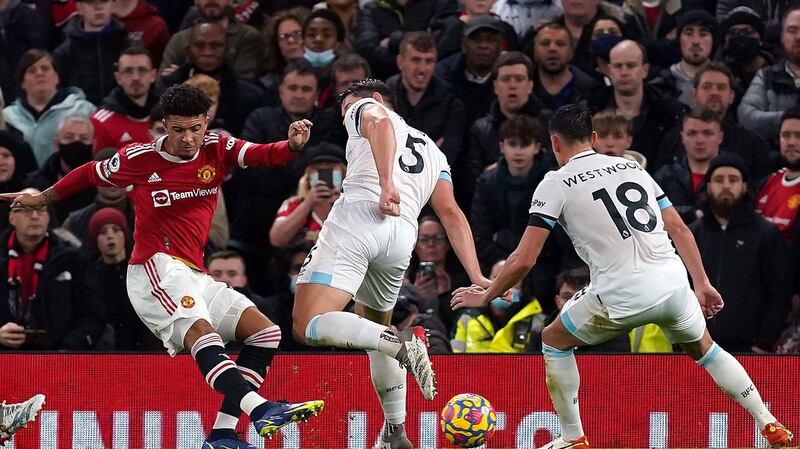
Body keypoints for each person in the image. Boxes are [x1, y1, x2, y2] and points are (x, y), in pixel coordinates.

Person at [0, 84, 324, 449]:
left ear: (206, 123)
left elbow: (264, 154)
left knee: (265, 333)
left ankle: (222, 434)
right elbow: (90, 173)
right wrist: (43, 197)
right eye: (179, 129)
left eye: (195, 128)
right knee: (202, 332)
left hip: (195, 273)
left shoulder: (218, 147)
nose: (188, 138)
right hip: (154, 267)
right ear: (164, 126)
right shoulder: (139, 159)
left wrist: (292, 145)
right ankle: (262, 409)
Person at [452, 104, 794, 449]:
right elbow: (679, 228)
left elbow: (525, 258)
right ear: (594, 138)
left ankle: (572, 436)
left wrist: (487, 293)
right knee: (706, 349)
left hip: (620, 293)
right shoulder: (632, 167)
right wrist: (702, 283)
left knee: (554, 340)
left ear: (554, 142)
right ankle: (767, 420)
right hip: (673, 283)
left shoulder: (555, 183)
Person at [291, 78, 490, 449]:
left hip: (361, 217)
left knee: (306, 324)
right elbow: (450, 213)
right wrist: (477, 273)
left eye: (347, 107)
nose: (346, 114)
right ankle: (395, 432)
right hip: (401, 238)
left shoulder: (365, 107)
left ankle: (401, 343)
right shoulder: (433, 150)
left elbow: (379, 122)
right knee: (371, 331)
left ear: (377, 98)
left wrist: (386, 185)